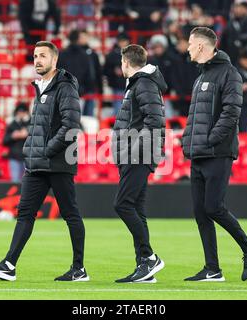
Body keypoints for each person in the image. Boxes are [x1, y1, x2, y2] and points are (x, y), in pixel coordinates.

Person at [0, 41, 88, 282]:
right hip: (37, 162)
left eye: (43, 56)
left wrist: (48, 150)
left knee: (70, 214)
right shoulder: (40, 87)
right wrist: (31, 150)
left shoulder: (66, 86)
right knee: (25, 213)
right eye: (35, 55)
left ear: (54, 60)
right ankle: (8, 265)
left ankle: (78, 268)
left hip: (58, 161)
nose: (37, 60)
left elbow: (71, 126)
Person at [182, 27, 247, 282]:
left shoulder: (229, 74)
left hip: (218, 152)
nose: (186, 48)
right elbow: (194, 117)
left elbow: (232, 112)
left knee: (213, 207)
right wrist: (189, 143)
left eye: (189, 43)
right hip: (198, 154)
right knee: (200, 211)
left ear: (200, 46)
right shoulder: (200, 77)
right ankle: (212, 269)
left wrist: (210, 140)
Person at [112, 44, 166, 283]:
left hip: (139, 154)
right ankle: (144, 267)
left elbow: (155, 120)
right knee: (136, 208)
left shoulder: (143, 83)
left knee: (122, 205)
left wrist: (135, 151)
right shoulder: (140, 84)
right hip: (134, 153)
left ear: (126, 62)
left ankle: (149, 257)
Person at [103, 32, 130, 115]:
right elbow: (106, 70)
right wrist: (114, 71)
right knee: (119, 109)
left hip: (131, 85)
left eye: (124, 41)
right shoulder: (111, 55)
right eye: (121, 41)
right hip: (118, 85)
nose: (122, 43)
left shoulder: (134, 54)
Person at [3, 103, 30, 182]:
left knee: (28, 181)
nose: (21, 114)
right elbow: (4, 141)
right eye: (19, 112)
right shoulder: (12, 124)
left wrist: (28, 134)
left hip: (28, 156)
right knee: (15, 181)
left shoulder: (32, 123)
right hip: (14, 156)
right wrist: (13, 136)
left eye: (23, 112)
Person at [78, 30, 103, 117]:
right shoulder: (74, 54)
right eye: (81, 37)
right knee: (77, 116)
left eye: (85, 37)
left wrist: (100, 89)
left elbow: (98, 72)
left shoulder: (93, 54)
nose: (83, 39)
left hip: (90, 88)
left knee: (89, 116)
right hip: (77, 89)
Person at [219, 2, 247, 66]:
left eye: (241, 8)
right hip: (232, 59)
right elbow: (223, 43)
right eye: (236, 7)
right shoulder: (230, 25)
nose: (238, 10)